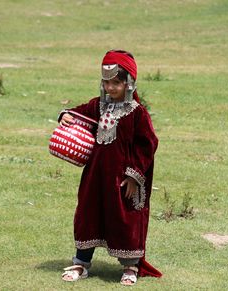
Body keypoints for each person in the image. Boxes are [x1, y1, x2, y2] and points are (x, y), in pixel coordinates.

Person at [59, 50, 162, 286]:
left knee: (125, 218)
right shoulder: (98, 106)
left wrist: (134, 176)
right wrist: (66, 115)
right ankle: (81, 263)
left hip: (123, 179)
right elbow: (79, 112)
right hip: (95, 176)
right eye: (106, 82)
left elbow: (147, 145)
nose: (111, 87)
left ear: (129, 83)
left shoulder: (138, 113)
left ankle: (130, 266)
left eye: (116, 82)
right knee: (88, 213)